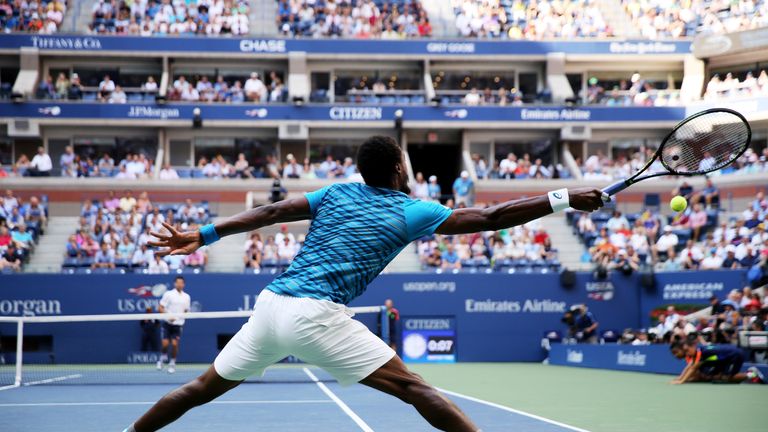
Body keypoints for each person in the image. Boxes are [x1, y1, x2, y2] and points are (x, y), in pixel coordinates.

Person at [126, 135, 605, 432]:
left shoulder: (334, 192)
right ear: (399, 169)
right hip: (314, 314)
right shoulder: (412, 209)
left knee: (198, 389)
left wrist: (203, 235)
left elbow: (270, 212)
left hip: (270, 307)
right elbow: (492, 215)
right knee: (419, 390)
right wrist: (563, 197)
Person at [670, 339, 764, 384]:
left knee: (726, 378)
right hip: (725, 359)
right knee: (719, 377)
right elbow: (689, 366)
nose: (687, 353)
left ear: (693, 346)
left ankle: (752, 374)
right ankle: (743, 377)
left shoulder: (700, 352)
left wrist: (681, 381)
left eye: (687, 350)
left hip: (735, 355)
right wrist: (680, 378)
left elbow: (693, 368)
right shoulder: (697, 351)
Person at [156, 277, 191, 374]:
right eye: (178, 282)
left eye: (181, 283)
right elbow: (160, 308)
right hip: (167, 323)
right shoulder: (168, 294)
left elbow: (186, 310)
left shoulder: (187, 297)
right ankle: (162, 358)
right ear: (174, 284)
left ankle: (172, 363)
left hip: (178, 325)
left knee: (175, 344)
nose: (179, 284)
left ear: (184, 284)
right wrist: (168, 316)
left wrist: (185, 314)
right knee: (165, 344)